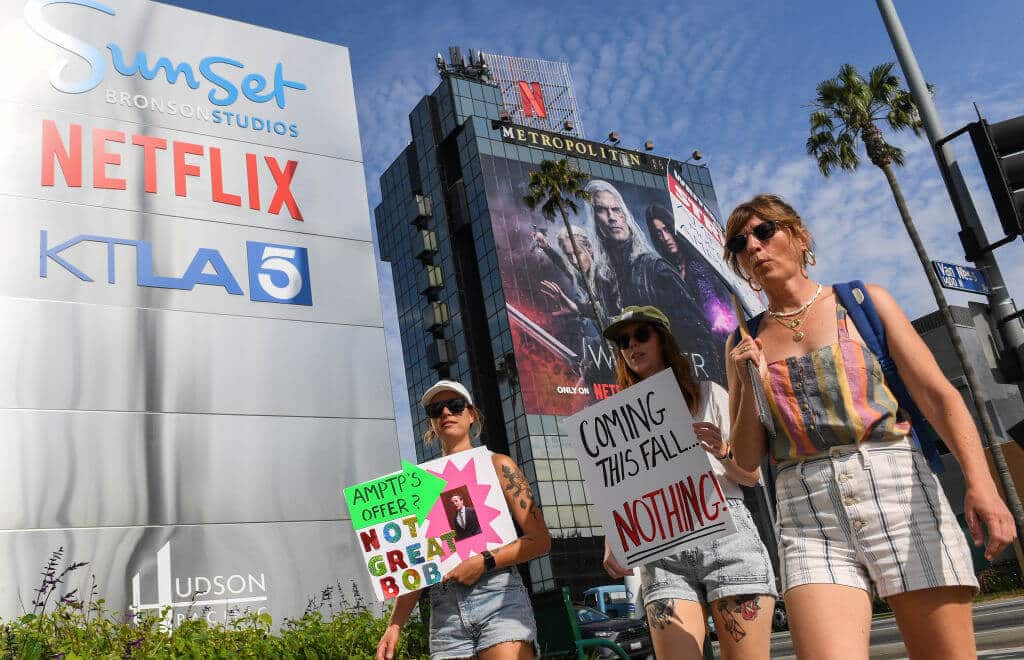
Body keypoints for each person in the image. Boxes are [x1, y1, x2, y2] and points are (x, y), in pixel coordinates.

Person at [722, 194, 1016, 659]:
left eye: (764, 231)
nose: (753, 247)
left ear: (799, 237)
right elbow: (744, 461)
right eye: (740, 242)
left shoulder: (863, 301)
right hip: (806, 511)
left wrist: (981, 483)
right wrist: (746, 381)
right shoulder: (742, 341)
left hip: (897, 484)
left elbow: (939, 396)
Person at [600, 305, 778, 660]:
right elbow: (621, 488)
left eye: (641, 335)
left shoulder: (710, 395)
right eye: (623, 341)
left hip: (725, 533)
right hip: (663, 548)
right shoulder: (619, 419)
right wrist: (613, 537)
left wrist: (723, 452)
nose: (631, 345)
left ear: (662, 339)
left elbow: (752, 476)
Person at [376, 380, 551, 660]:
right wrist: (395, 624)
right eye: (436, 409)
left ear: (472, 415)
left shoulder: (499, 465)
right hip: (445, 611)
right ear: (432, 422)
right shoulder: (417, 486)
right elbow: (417, 562)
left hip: (499, 596)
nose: (446, 412)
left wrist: (485, 561)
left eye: (455, 405)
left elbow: (540, 540)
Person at [585, 179, 723, 379]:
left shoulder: (655, 269)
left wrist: (695, 389)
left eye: (616, 209)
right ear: (594, 218)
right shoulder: (601, 280)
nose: (612, 217)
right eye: (602, 210)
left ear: (625, 215)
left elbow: (699, 337)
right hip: (637, 394)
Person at [645, 203, 737, 336]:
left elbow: (713, 299)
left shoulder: (698, 264)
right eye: (658, 233)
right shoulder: (665, 272)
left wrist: (719, 321)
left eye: (666, 230)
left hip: (720, 337)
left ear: (673, 228)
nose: (665, 238)